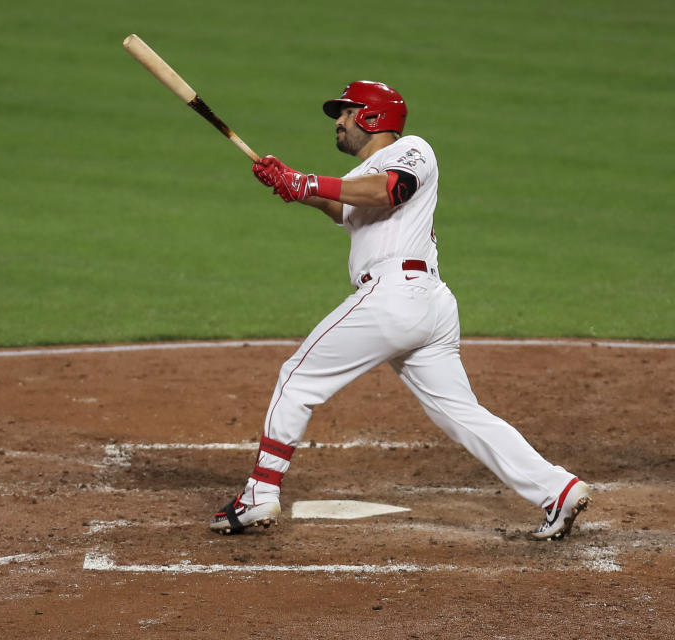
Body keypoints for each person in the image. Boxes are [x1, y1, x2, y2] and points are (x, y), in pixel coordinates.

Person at [209, 81, 590, 540]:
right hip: (425, 306)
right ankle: (556, 489)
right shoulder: (363, 178)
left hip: (396, 296)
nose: (338, 120)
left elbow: (390, 190)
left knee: (297, 378)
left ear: (371, 117)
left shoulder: (412, 150)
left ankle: (258, 493)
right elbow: (345, 206)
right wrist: (291, 184)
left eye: (346, 112)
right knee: (460, 413)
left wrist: (306, 180)